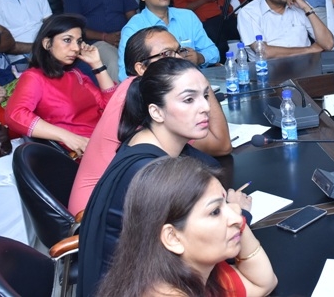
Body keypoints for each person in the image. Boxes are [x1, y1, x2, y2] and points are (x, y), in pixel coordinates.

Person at [78, 57, 243, 297]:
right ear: (156, 112)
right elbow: (196, 247)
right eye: (189, 100)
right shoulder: (149, 170)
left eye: (205, 96)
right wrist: (240, 212)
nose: (205, 107)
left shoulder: (152, 142)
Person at [68, 27, 231, 215]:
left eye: (179, 51)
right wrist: (197, 79)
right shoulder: (143, 99)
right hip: (97, 212)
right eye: (166, 54)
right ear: (141, 68)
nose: (179, 60)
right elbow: (221, 145)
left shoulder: (136, 88)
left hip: (135, 197)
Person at [94, 157, 278, 297]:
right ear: (173, 237)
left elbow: (262, 284)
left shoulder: (195, 274)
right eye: (215, 211)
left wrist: (234, 215)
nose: (237, 217)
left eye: (226, 203)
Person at [5, 14, 116, 156]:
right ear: (47, 43)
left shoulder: (75, 74)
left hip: (108, 138)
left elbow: (112, 106)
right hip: (84, 151)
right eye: (67, 40)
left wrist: (97, 64)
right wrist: (68, 137)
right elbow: (15, 115)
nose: (75, 48)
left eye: (78, 41)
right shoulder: (34, 77)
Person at [120, 0, 219, 78]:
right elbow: (124, 74)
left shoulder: (187, 17)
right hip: (158, 86)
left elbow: (213, 51)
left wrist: (200, 58)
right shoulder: (133, 28)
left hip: (193, 80)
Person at [237, 0, 334, 59]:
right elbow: (264, 52)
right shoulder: (249, 13)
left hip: (306, 65)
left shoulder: (299, 4)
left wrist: (307, 8)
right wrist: (310, 50)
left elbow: (328, 44)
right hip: (269, 67)